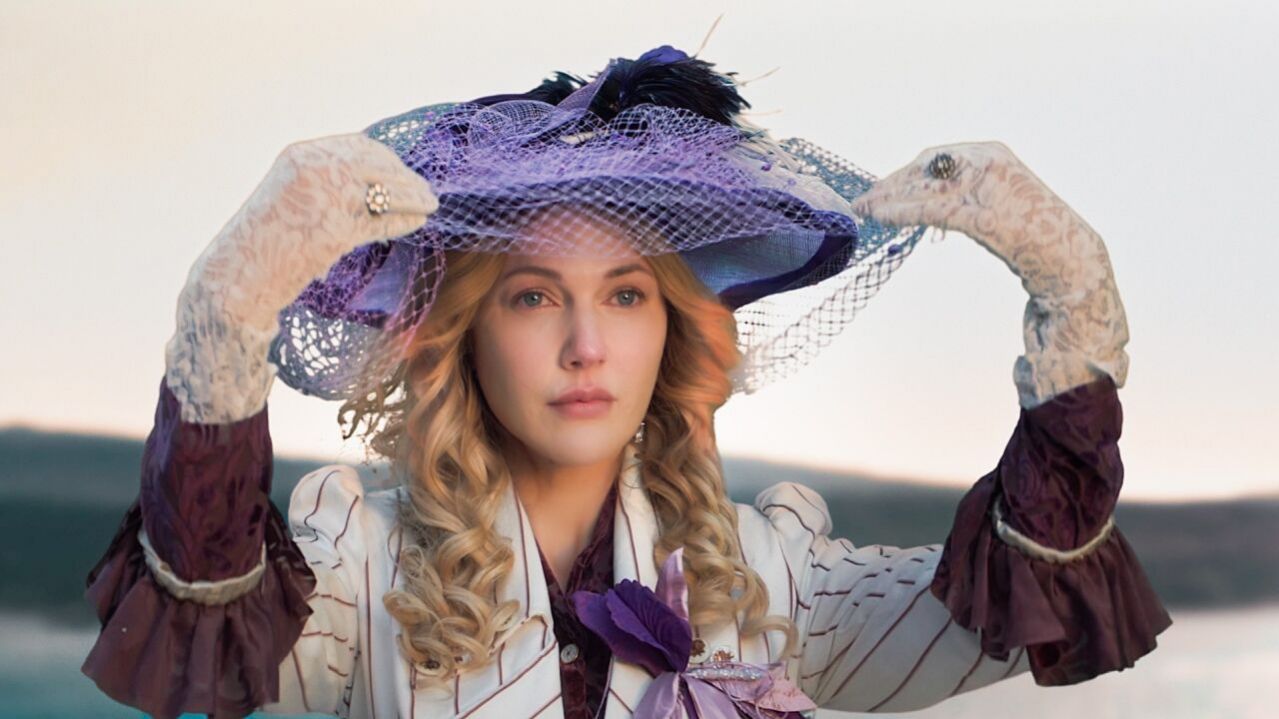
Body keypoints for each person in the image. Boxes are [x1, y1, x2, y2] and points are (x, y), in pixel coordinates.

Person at [80, 45, 1172, 719]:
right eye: (530, 296)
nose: (585, 346)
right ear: (463, 335)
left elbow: (1002, 615)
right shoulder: (363, 568)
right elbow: (206, 595)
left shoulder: (765, 578)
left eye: (626, 295)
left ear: (671, 332)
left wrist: (1072, 307)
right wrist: (223, 316)